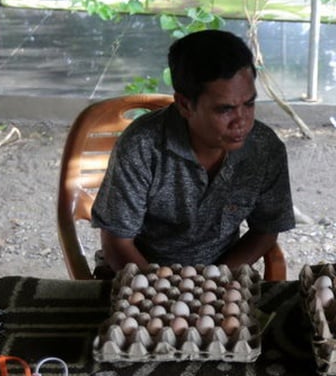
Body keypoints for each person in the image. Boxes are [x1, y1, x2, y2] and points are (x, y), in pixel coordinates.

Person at [91, 30, 295, 273]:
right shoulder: (142, 146)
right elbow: (117, 242)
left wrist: (215, 279)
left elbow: (266, 229)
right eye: (225, 110)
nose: (241, 121)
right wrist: (158, 290)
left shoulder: (264, 148)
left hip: (221, 274)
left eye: (249, 104)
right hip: (139, 273)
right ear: (185, 105)